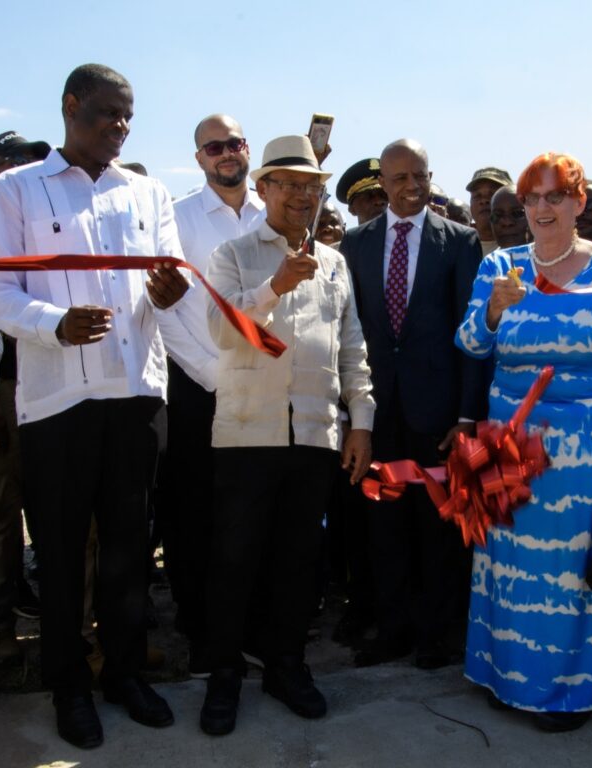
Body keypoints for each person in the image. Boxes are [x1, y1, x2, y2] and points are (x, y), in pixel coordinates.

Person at [0, 63, 189, 748]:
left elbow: (169, 279)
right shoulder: (16, 190)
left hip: (135, 394)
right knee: (60, 545)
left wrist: (168, 294)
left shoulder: (147, 191)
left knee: (129, 550)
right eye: (107, 113)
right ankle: (69, 686)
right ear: (70, 106)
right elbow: (1, 293)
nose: (119, 127)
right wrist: (55, 324)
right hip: (56, 401)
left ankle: (126, 673)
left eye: (128, 117)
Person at [456, 152, 592, 732]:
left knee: (575, 573)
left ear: (580, 203)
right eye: (533, 198)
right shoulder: (499, 265)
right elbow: (472, 344)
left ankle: (571, 693)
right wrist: (495, 312)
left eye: (557, 196)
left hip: (587, 450)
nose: (543, 208)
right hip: (511, 446)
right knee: (510, 568)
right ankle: (509, 680)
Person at [199, 135, 374, 734]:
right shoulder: (233, 253)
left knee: (299, 562)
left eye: (311, 186)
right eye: (288, 184)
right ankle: (225, 675)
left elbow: (352, 349)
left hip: (316, 435)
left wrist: (362, 422)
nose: (302, 196)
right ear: (263, 189)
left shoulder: (335, 263)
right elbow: (223, 335)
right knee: (234, 560)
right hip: (248, 434)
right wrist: (274, 285)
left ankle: (286, 666)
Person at [340, 139, 487, 670]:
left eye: (419, 176)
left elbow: (473, 338)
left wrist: (467, 417)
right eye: (400, 178)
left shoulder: (461, 242)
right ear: (383, 182)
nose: (410, 187)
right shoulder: (355, 245)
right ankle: (393, 629)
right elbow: (349, 331)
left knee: (438, 528)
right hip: (378, 415)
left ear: (429, 177)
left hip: (439, 416)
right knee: (384, 524)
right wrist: (354, 411)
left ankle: (437, 633)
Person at [156, 114, 264, 677]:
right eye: (214, 146)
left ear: (248, 150)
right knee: (195, 514)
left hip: (267, 386)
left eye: (235, 143)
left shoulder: (274, 216)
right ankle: (201, 633)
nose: (226, 153)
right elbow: (166, 310)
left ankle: (251, 628)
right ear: (199, 157)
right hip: (200, 387)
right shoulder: (174, 219)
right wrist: (212, 376)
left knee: (252, 513)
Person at [0, 132, 50, 669]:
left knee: (37, 503)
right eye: (12, 164)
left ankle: (28, 601)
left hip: (35, 382)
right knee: (1, 509)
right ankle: (1, 626)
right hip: (4, 387)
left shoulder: (23, 223)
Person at [466, 167, 512, 255]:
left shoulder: (531, 247)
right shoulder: (457, 249)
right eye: (477, 195)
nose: (484, 200)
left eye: (493, 194)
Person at [336, 158, 388, 225]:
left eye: (383, 194)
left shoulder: (404, 234)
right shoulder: (348, 235)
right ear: (352, 209)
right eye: (368, 195)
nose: (379, 201)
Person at [489, 183, 529, 249]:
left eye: (517, 213)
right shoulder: (489, 259)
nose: (507, 222)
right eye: (497, 216)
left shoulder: (550, 257)